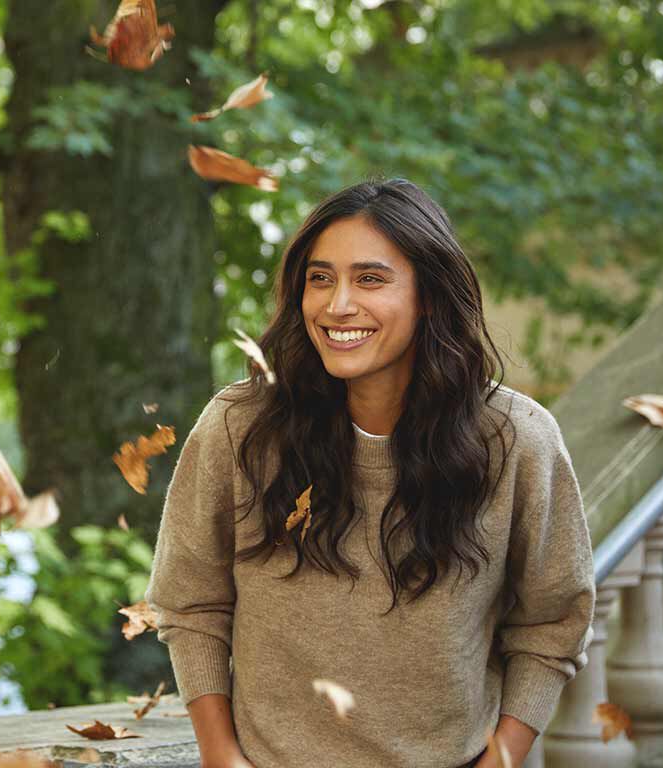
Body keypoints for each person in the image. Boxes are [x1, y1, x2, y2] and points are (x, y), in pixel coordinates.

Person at [144, 178, 595, 768]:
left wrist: (500, 760)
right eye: (320, 278)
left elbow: (553, 622)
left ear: (428, 295)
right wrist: (221, 758)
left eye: (371, 279)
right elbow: (190, 602)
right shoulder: (241, 425)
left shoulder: (517, 440)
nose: (337, 305)